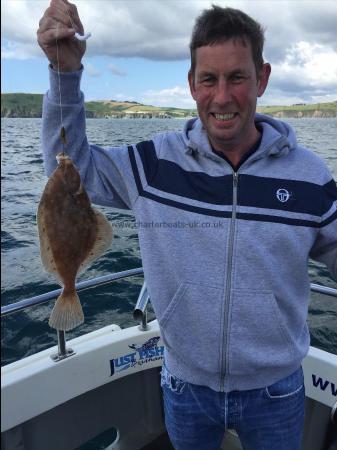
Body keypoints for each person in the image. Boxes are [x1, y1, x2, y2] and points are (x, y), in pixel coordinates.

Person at [37, 1, 337, 449]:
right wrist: (64, 74)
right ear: (191, 84)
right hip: (185, 384)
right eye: (208, 79)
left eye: (237, 77)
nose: (222, 97)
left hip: (276, 388)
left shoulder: (310, 177)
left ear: (263, 78)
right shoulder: (153, 165)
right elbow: (70, 168)